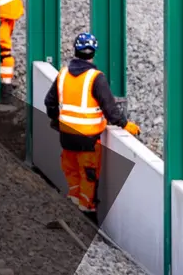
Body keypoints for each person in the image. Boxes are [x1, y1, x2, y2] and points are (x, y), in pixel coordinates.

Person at [44, 32, 140, 215]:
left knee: (71, 172)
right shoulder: (96, 78)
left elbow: (49, 102)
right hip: (88, 138)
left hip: (66, 136)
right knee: (88, 175)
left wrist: (57, 121)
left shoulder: (63, 73)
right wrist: (125, 125)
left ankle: (72, 206)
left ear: (75, 50)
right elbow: (110, 109)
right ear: (93, 52)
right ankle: (86, 214)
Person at [0, 0, 25, 88]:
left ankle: (5, 87)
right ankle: (5, 84)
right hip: (9, 12)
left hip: (1, 13)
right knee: (4, 50)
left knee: (4, 51)